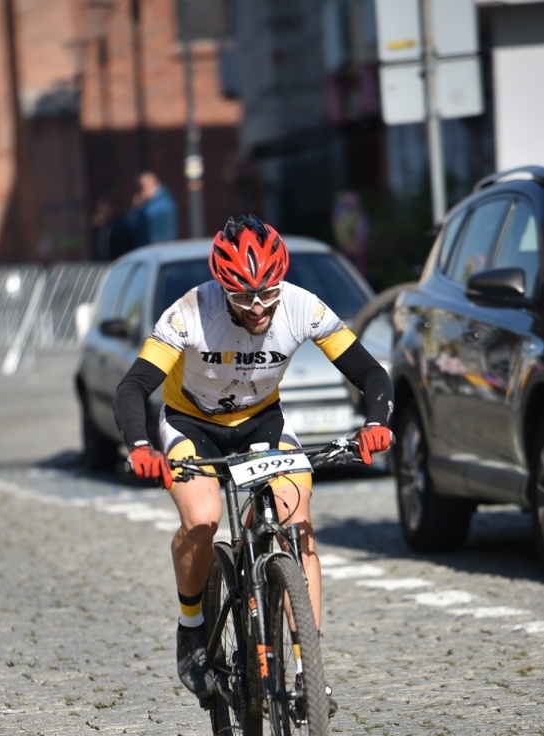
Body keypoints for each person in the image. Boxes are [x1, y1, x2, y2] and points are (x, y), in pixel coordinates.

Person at [113, 213, 393, 704]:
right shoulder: (190, 312)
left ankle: (308, 668)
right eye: (243, 296)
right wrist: (140, 447)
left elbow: (371, 373)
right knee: (202, 519)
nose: (259, 306)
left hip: (262, 424)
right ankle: (192, 627)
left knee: (296, 522)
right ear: (222, 288)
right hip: (192, 425)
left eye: (268, 292)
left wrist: (374, 424)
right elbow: (133, 386)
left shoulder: (302, 307)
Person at [127, 170, 179, 247]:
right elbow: (131, 223)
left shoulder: (163, 203)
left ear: (153, 184)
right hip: (146, 247)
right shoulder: (147, 203)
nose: (141, 190)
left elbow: (148, 217)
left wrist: (138, 207)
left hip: (158, 248)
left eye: (143, 186)